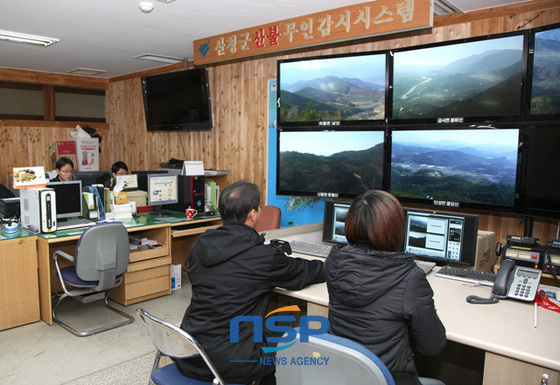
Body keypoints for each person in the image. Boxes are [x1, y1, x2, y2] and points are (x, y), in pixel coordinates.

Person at [177, 180, 325, 384]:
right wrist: (331, 263)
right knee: (296, 343)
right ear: (253, 214)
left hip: (190, 351)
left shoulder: (200, 244)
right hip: (232, 362)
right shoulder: (262, 256)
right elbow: (302, 273)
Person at [325, 190, 446, 385]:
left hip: (343, 375)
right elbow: (432, 346)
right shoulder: (410, 277)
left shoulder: (334, 261)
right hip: (390, 378)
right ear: (396, 228)